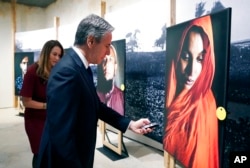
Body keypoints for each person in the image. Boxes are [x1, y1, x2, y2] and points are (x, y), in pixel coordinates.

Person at [37, 14, 152, 168]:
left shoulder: (82, 67)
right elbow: (61, 136)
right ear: (90, 41)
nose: (107, 53)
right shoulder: (66, 72)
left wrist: (130, 124)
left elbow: (95, 105)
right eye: (106, 45)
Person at [163, 16, 218, 168]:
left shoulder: (206, 105)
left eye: (200, 59)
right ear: (176, 55)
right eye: (186, 57)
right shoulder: (172, 95)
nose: (192, 71)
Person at [20, 40, 64, 168]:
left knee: (52, 153)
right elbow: (26, 102)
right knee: (40, 153)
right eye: (54, 54)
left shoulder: (56, 72)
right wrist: (47, 106)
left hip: (52, 119)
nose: (57, 58)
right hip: (35, 120)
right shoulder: (32, 72)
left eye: (59, 55)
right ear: (46, 53)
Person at [97, 45, 124, 115]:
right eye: (104, 60)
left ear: (115, 68)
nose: (106, 65)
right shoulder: (92, 94)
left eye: (110, 60)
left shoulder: (122, 97)